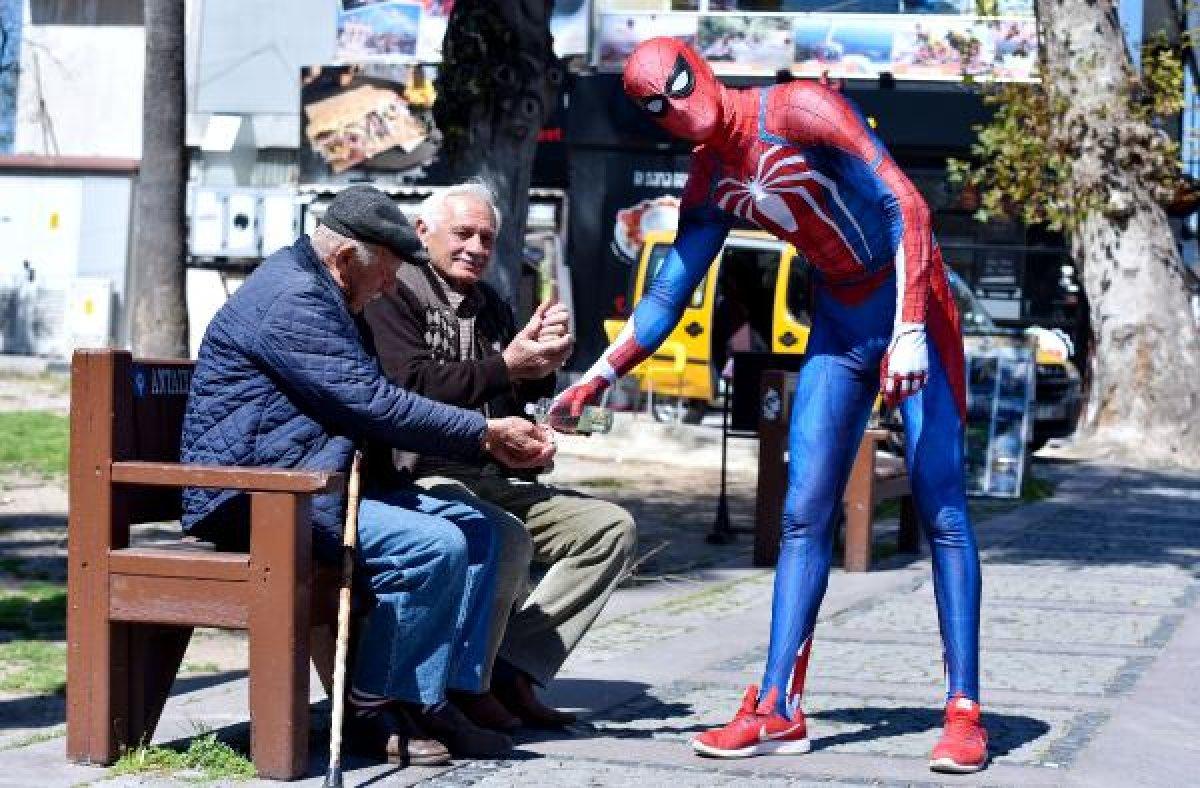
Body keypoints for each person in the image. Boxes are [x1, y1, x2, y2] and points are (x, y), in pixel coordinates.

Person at [550, 39, 987, 774]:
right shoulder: (709, 177)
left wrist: (911, 326)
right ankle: (780, 703)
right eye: (655, 107)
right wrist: (598, 374)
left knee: (942, 505)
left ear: (704, 68)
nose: (676, 112)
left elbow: (905, 204)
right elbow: (667, 294)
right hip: (842, 321)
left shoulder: (799, 108)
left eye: (677, 90)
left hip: (914, 302)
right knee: (800, 513)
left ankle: (964, 709)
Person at [180, 184, 556, 765]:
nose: (388, 287)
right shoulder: (295, 300)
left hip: (309, 481)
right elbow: (372, 402)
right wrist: (481, 433)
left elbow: (368, 403)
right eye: (386, 274)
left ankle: (430, 697)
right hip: (260, 498)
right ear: (346, 256)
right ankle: (372, 703)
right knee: (433, 546)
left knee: (487, 533)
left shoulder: (329, 292)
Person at [364, 181, 638, 731]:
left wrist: (543, 387)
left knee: (612, 529)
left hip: (488, 473)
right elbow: (410, 386)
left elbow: (503, 398)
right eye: (463, 233)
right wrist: (509, 365)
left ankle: (514, 666)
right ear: (424, 233)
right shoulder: (395, 292)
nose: (476, 248)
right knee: (503, 535)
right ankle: (469, 685)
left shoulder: (490, 304)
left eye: (486, 238)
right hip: (416, 479)